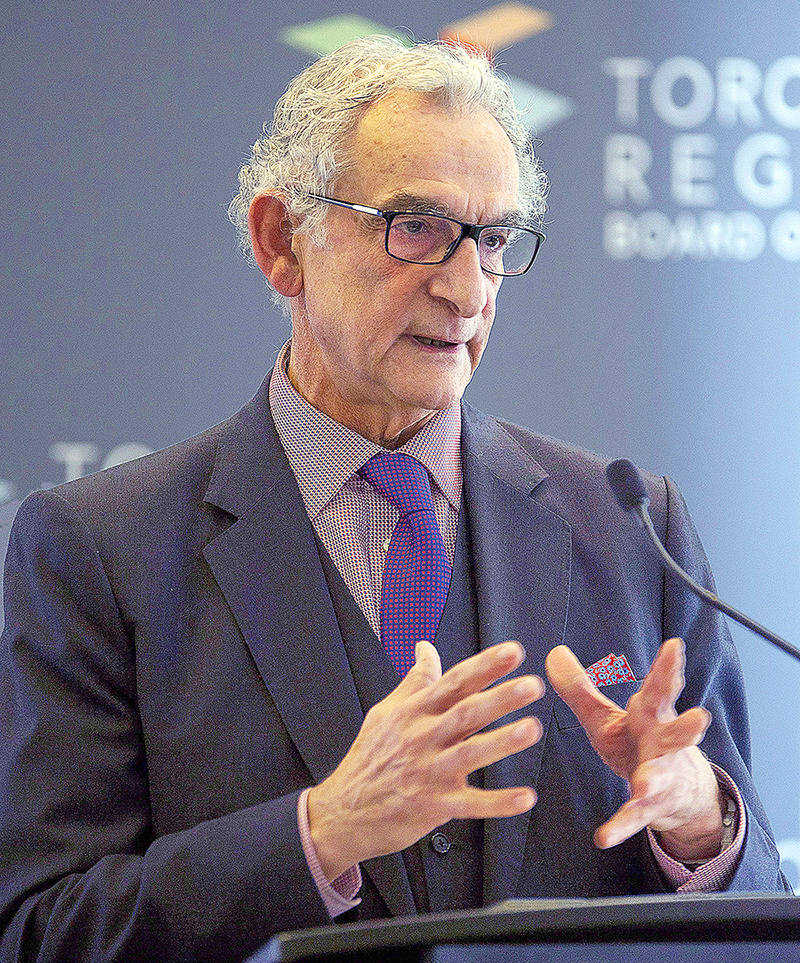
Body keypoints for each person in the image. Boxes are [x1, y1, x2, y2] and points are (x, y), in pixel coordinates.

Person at [0, 35, 789, 963]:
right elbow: (43, 932)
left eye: (492, 241)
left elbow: (760, 918)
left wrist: (702, 824)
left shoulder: (630, 527)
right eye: (415, 227)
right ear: (282, 241)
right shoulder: (99, 548)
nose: (466, 289)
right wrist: (318, 832)